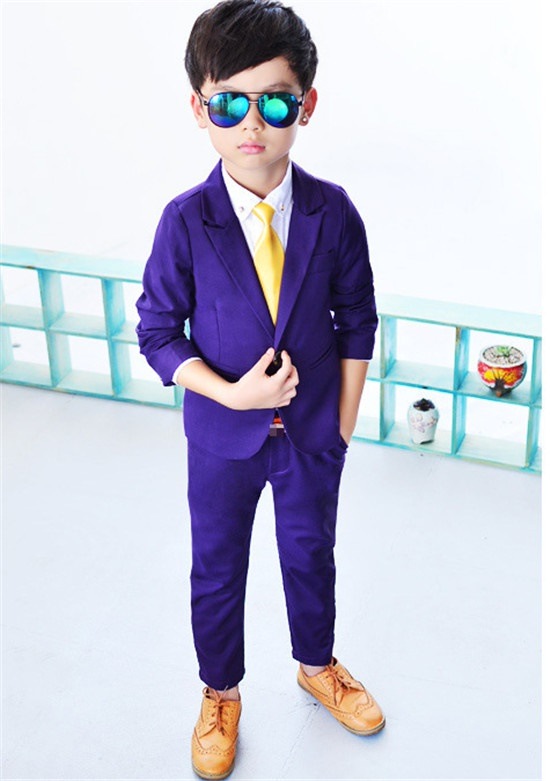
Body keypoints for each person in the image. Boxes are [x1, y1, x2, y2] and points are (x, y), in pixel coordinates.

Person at [136, 0, 384, 777]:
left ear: (306, 105)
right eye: (229, 103)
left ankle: (318, 663)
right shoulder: (185, 221)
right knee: (217, 566)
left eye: (274, 102)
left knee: (311, 553)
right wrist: (230, 394)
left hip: (311, 436)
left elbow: (357, 318)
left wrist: (341, 424)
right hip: (221, 439)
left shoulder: (332, 211)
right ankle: (220, 691)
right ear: (198, 109)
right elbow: (157, 331)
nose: (252, 122)